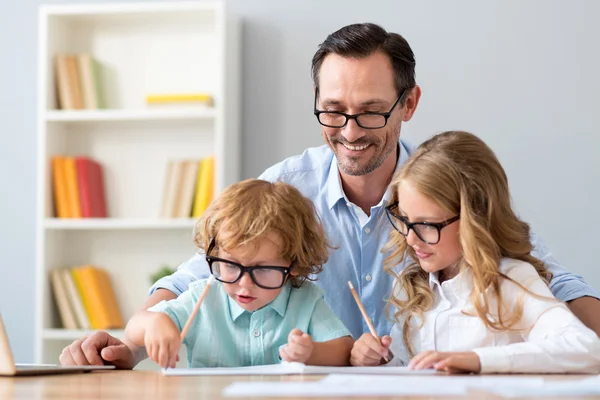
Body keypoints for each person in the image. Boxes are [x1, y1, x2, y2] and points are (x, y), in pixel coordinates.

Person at [60, 23, 600, 369]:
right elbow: (195, 280)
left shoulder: (442, 187)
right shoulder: (285, 187)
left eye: (370, 111)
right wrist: (129, 344)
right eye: (333, 110)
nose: (349, 130)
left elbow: (540, 277)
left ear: (408, 104)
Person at [350, 131, 600, 373]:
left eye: (427, 224)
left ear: (475, 219)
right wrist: (381, 359)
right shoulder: (418, 288)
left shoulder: (511, 280)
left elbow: (587, 349)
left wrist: (476, 360)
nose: (410, 238)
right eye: (404, 219)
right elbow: (411, 368)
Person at [126, 179, 353, 368]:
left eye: (262, 269)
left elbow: (344, 349)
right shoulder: (202, 299)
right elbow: (134, 328)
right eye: (231, 266)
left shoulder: (305, 300)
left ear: (294, 264)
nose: (244, 285)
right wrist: (156, 321)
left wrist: (311, 352)